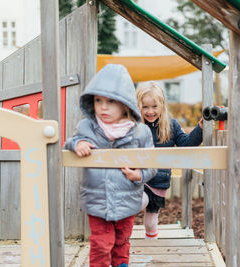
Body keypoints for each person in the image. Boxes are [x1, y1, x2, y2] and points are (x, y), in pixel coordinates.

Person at [64, 64, 156, 267]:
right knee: (101, 243)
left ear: (125, 104)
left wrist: (139, 174)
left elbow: (153, 163)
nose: (103, 107)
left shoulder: (140, 133)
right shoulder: (87, 127)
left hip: (127, 199)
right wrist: (77, 144)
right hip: (98, 200)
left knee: (121, 241)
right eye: (98, 100)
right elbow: (69, 142)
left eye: (111, 101)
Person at [136, 81, 203, 240]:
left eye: (154, 106)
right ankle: (118, 238)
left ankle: (151, 244)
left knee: (151, 222)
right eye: (145, 107)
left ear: (162, 106)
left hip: (159, 181)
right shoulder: (135, 126)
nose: (150, 111)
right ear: (138, 106)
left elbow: (186, 145)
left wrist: (200, 129)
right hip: (138, 178)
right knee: (139, 202)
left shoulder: (170, 125)